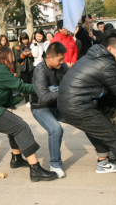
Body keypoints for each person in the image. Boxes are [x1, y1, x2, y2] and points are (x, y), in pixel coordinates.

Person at [0, 47, 57, 182]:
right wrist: (43, 89)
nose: (13, 60)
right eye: (11, 57)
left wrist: (21, 96)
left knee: (13, 126)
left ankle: (17, 159)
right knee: (21, 127)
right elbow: (21, 86)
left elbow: (7, 101)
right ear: (4, 58)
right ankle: (35, 169)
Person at [58, 30, 116, 173]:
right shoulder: (106, 63)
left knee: (103, 127)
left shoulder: (94, 56)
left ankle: (103, 163)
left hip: (72, 105)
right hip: (78, 109)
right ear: (110, 48)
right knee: (114, 137)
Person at [31, 42, 95, 179]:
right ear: (49, 57)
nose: (62, 62)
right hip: (41, 108)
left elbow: (72, 83)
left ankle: (103, 154)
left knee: (86, 120)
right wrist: (63, 90)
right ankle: (55, 165)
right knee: (56, 129)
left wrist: (59, 90)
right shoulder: (40, 71)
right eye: (59, 59)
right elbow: (44, 97)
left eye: (63, 59)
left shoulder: (62, 66)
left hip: (59, 105)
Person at [14, 33, 35, 107]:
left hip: (31, 68)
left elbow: (34, 57)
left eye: (26, 39)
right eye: (23, 39)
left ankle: (33, 99)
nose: (25, 41)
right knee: (25, 85)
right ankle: (27, 100)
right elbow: (18, 59)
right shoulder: (18, 47)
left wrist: (30, 54)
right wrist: (23, 54)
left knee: (32, 84)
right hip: (23, 69)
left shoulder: (31, 46)